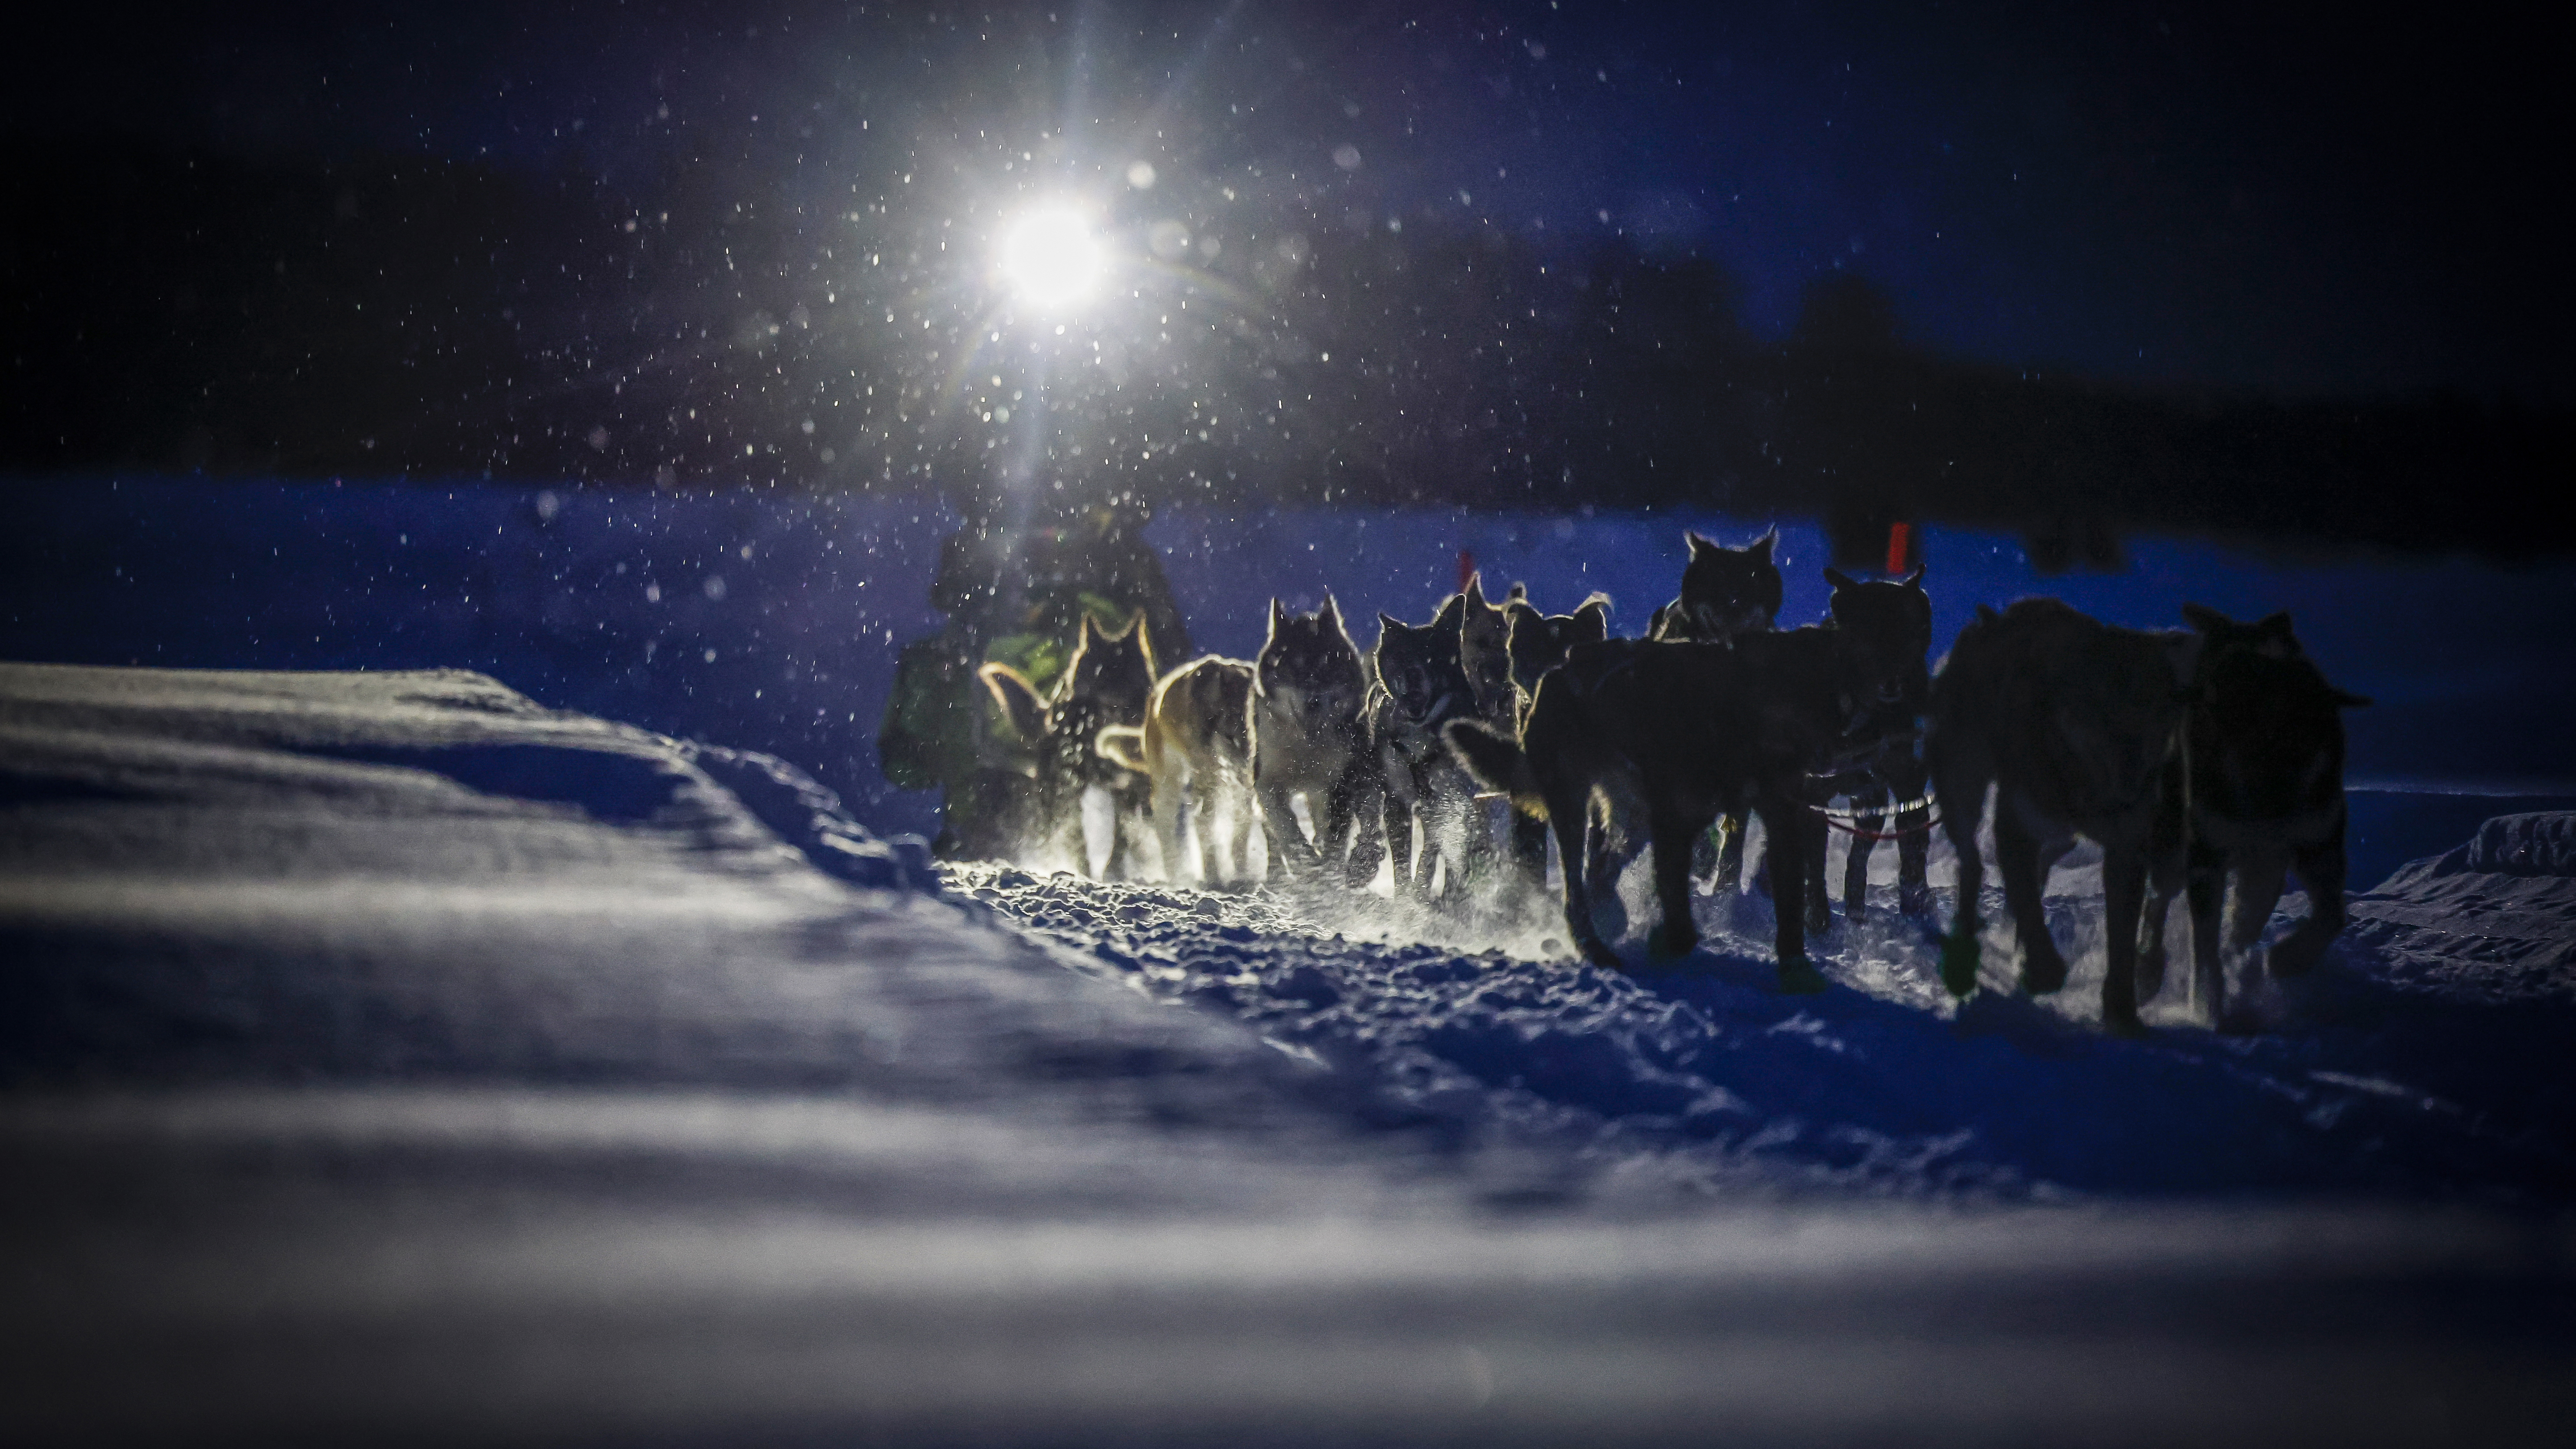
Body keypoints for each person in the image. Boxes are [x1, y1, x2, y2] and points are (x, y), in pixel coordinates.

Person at [879, 483, 1193, 858]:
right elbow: (1170, 640)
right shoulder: (1116, 560)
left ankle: (1005, 824)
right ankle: (1122, 831)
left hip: (1020, 758)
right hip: (1052, 751)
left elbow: (905, 763)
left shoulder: (1111, 563)